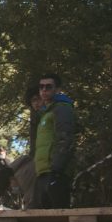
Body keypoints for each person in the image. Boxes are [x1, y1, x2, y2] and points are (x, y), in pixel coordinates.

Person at [33, 73, 76, 209]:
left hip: (56, 172)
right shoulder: (45, 113)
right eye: (41, 87)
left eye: (48, 87)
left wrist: (57, 169)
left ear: (57, 89)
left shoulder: (62, 108)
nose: (44, 90)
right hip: (42, 172)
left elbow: (65, 138)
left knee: (59, 216)